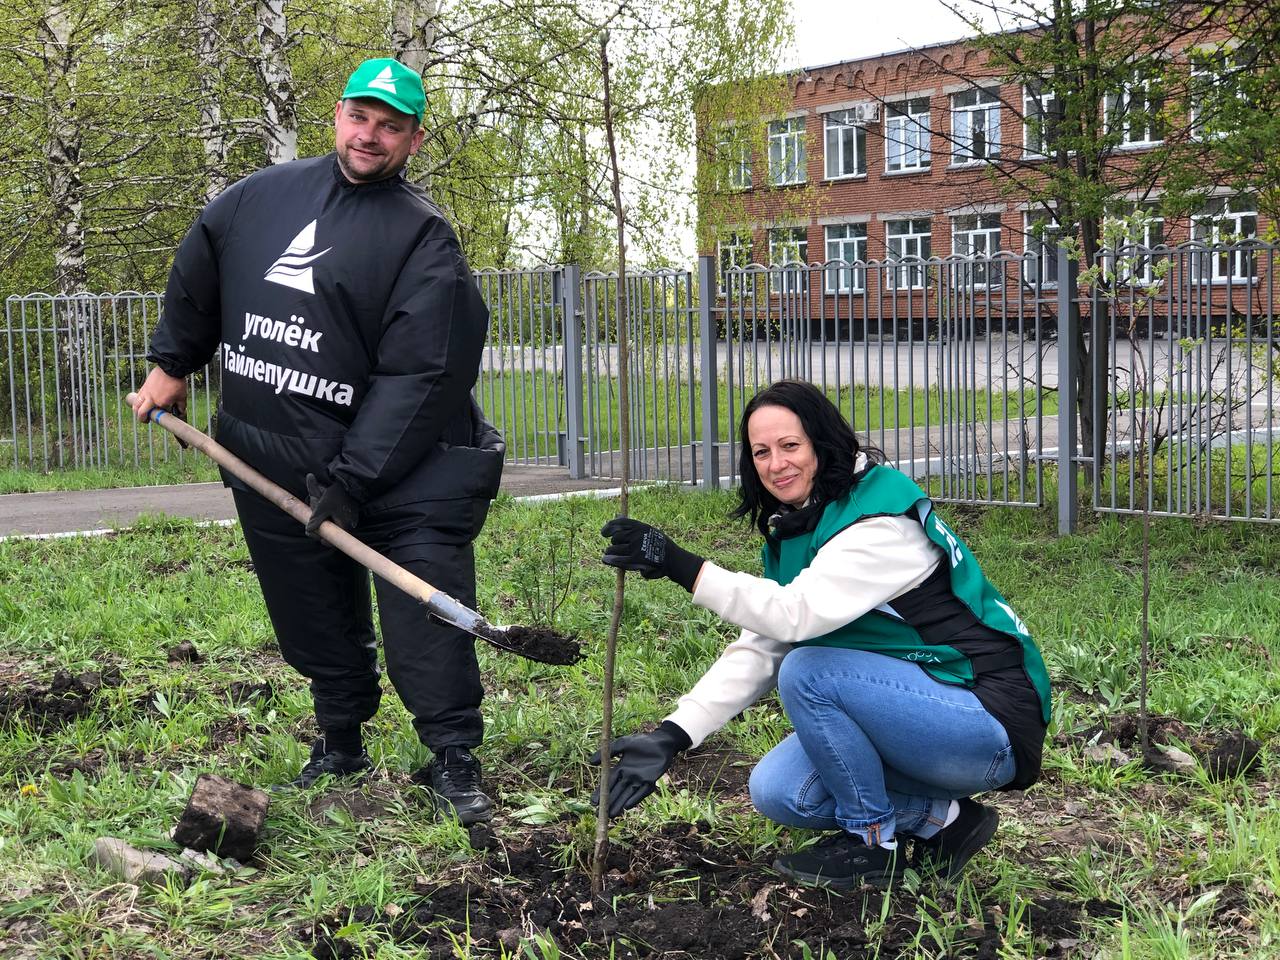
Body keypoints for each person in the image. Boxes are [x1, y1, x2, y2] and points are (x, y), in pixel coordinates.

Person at [130, 58, 502, 825]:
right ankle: (339, 740)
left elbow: (424, 373)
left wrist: (357, 477)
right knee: (307, 604)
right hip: (272, 453)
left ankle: (452, 757)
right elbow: (198, 275)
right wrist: (173, 363)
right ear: (337, 115)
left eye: (391, 126)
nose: (372, 136)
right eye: (361, 117)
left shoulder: (422, 239)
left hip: (407, 472)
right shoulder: (259, 199)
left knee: (423, 611)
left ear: (414, 139)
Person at [595, 379, 1051, 887]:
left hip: (986, 723)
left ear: (824, 443)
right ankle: (945, 821)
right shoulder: (804, 523)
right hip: (924, 713)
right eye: (761, 452)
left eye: (791, 446)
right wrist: (672, 735)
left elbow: (795, 616)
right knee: (782, 789)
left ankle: (872, 845)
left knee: (811, 670)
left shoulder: (879, 519)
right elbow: (765, 642)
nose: (776, 464)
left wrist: (683, 566)